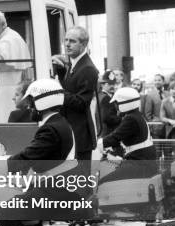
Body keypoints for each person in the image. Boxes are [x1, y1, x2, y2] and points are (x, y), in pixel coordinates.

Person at [0, 78, 78, 226]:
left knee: (4, 213)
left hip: (55, 189)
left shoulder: (50, 128)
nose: (30, 106)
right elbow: (35, 154)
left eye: (32, 101)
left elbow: (28, 156)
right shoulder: (58, 123)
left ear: (42, 101)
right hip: (58, 184)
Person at [51, 26, 98, 163]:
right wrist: (60, 72)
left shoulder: (88, 68)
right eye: (65, 40)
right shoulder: (74, 64)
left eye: (72, 41)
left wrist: (57, 90)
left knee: (78, 180)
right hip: (72, 133)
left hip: (79, 135)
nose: (67, 44)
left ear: (83, 45)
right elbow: (70, 89)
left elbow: (81, 103)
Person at [98, 87, 158, 184]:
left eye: (117, 103)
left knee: (105, 181)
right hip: (142, 160)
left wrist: (99, 144)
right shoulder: (136, 115)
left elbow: (115, 137)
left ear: (125, 103)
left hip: (139, 163)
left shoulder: (131, 118)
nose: (116, 106)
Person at [144, 73, 168, 139]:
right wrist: (151, 126)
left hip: (168, 126)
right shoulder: (150, 95)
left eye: (159, 80)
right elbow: (147, 113)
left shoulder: (168, 94)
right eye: (155, 80)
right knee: (157, 148)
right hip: (156, 127)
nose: (157, 82)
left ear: (163, 82)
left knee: (167, 147)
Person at [99, 70, 121, 137]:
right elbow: (107, 118)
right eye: (109, 84)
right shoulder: (106, 98)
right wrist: (121, 119)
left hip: (103, 132)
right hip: (108, 132)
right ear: (102, 85)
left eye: (113, 84)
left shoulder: (100, 95)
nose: (112, 86)